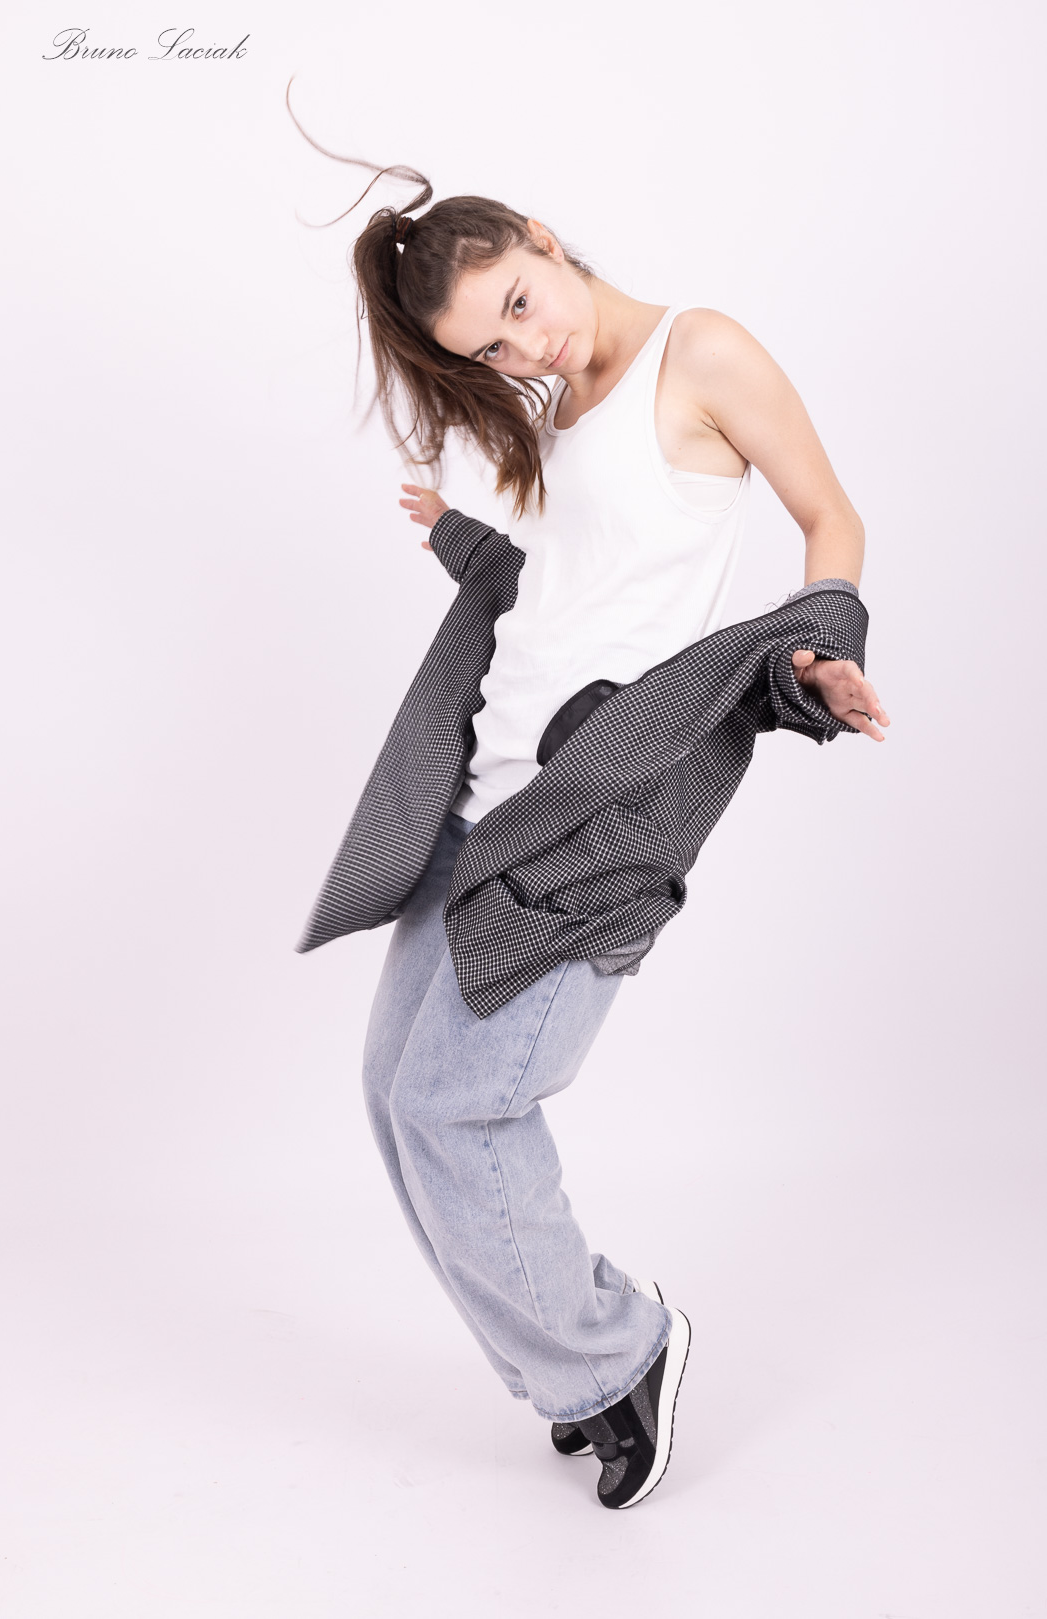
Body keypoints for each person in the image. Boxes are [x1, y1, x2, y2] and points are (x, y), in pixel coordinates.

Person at [290, 116, 889, 1510]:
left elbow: (831, 518)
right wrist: (462, 539)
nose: (526, 347)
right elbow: (569, 596)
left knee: (459, 1108)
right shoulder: (552, 408)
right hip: (480, 806)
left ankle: (621, 1355)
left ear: (545, 240)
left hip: (591, 822)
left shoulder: (702, 351)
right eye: (491, 348)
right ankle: (562, 1365)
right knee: (394, 1100)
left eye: (519, 303)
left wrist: (821, 648)